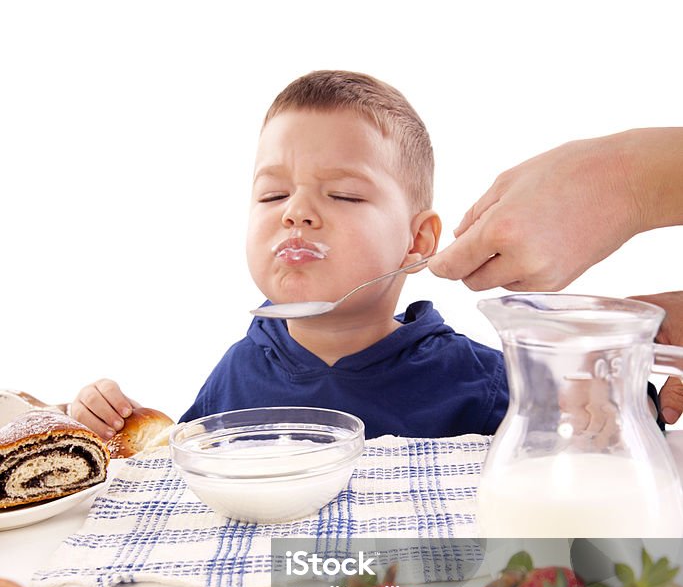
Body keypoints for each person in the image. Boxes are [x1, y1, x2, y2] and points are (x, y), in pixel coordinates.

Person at [70, 71, 508, 441]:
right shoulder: (239, 370)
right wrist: (115, 424)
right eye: (273, 194)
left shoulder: (483, 383)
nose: (295, 211)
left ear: (417, 240)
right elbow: (185, 476)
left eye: (343, 195)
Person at [428, 129, 683, 424]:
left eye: (358, 198)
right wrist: (619, 177)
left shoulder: (470, 376)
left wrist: (620, 179)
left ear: (418, 239)